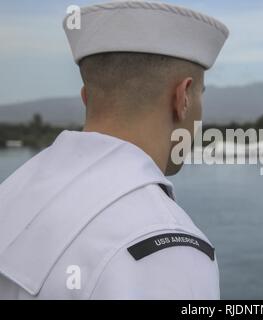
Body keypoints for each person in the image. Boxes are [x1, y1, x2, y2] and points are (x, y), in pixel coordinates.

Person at [0, 1, 228, 299]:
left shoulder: (12, 192)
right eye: (200, 95)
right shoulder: (165, 247)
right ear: (183, 97)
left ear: (86, 97)